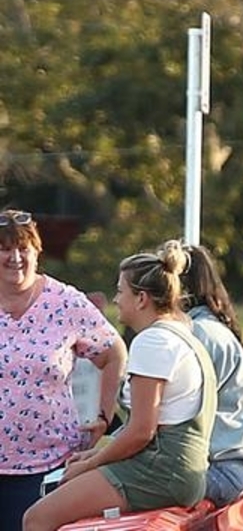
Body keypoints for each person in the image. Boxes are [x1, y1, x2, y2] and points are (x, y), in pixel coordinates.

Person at [23, 241, 216, 531]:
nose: (116, 300)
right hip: (183, 471)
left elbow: (141, 431)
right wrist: (95, 455)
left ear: (141, 299)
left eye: (121, 291)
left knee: (37, 517)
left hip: (161, 473)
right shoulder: (183, 335)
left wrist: (89, 465)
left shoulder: (152, 342)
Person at [0, 208, 127, 531]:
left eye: (23, 248)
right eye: (4, 249)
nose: (15, 257)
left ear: (37, 251)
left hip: (47, 465)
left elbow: (113, 353)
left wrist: (104, 416)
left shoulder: (64, 302)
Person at [180, 243, 243, 507]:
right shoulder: (209, 328)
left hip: (217, 467)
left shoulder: (198, 334)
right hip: (231, 466)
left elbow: (175, 411)